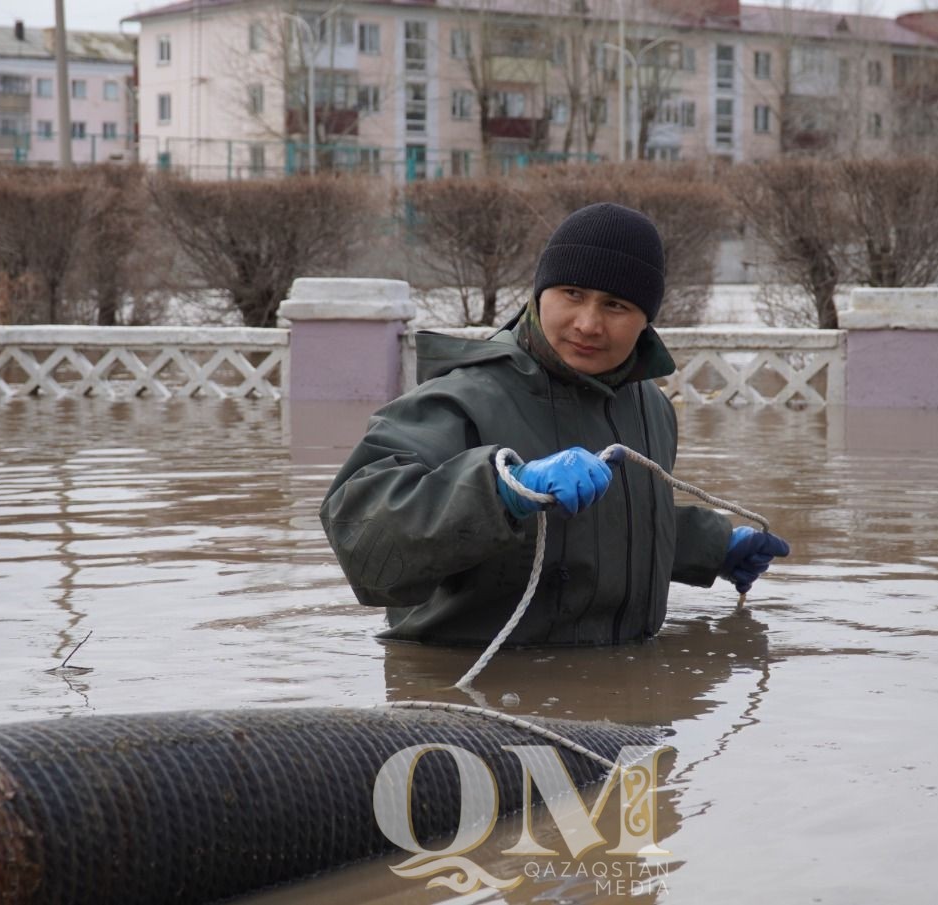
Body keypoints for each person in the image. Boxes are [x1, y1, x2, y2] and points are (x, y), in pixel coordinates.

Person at [320, 202, 789, 646]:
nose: (587, 323)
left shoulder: (651, 407)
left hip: (623, 700)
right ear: (539, 294)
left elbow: (605, 530)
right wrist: (502, 491)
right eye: (573, 294)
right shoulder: (459, 398)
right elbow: (360, 537)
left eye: (616, 306)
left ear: (646, 321)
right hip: (468, 699)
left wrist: (712, 547)